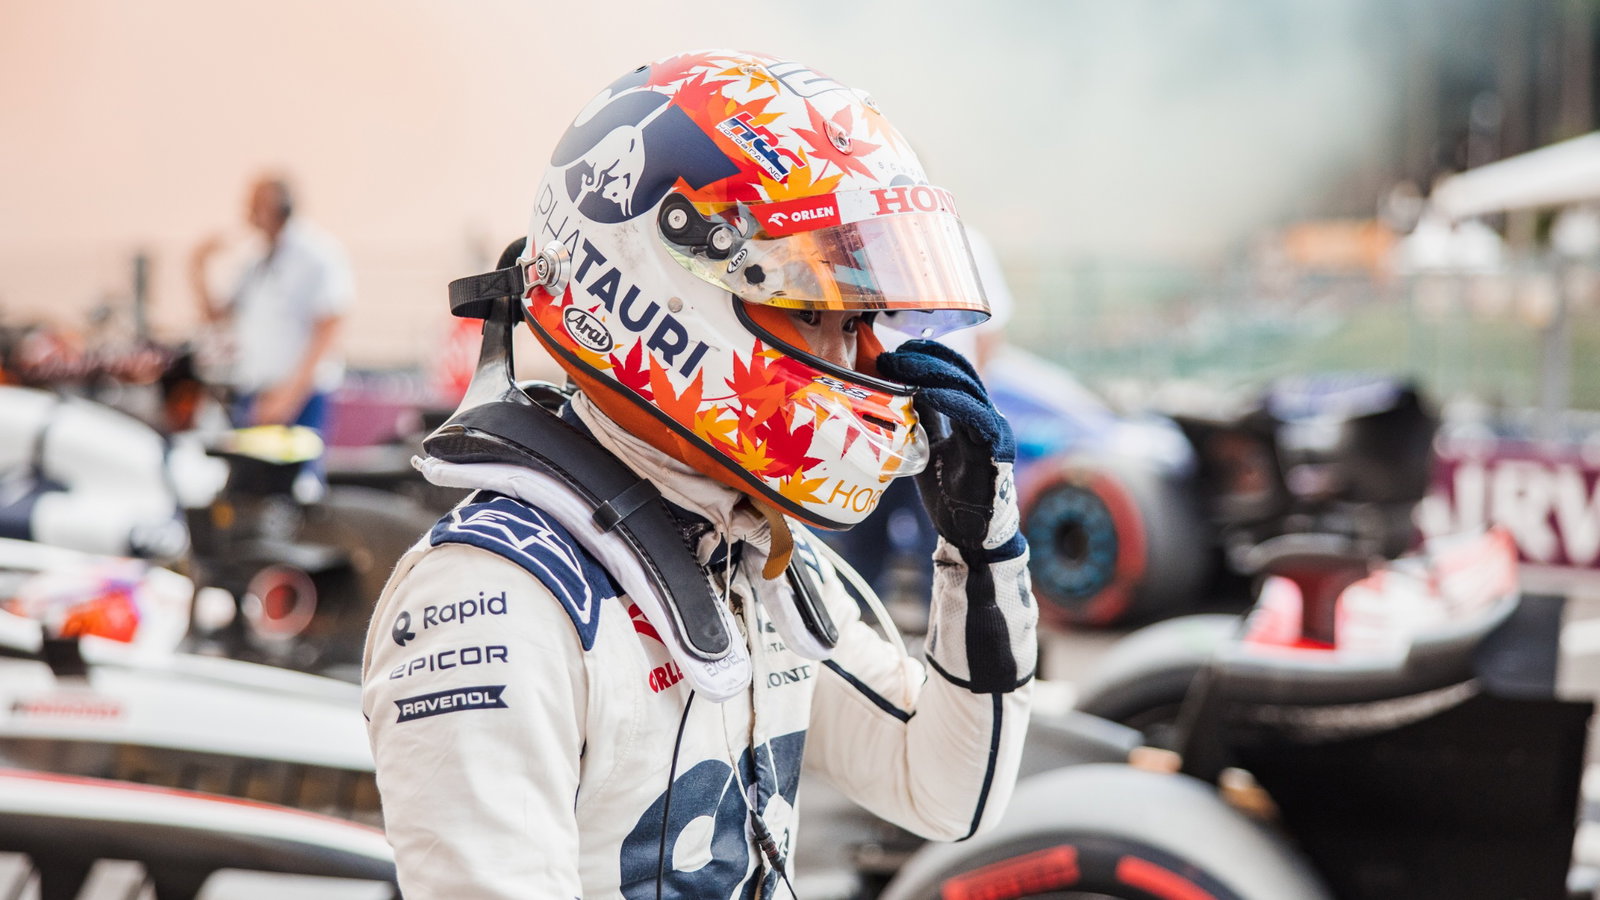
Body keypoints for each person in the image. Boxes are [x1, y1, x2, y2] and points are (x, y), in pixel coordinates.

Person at [361, 50, 1037, 899]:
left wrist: (984, 550)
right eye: (819, 312)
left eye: (868, 318)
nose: (877, 361)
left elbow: (946, 791)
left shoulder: (755, 549)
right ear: (659, 293)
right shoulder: (494, 603)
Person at [189, 173, 353, 432]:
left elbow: (329, 328)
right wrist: (198, 267)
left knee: (297, 471)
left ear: (278, 207)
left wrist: (289, 394)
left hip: (298, 395)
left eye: (255, 205)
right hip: (256, 391)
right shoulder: (258, 260)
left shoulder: (315, 255)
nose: (249, 214)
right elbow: (219, 316)